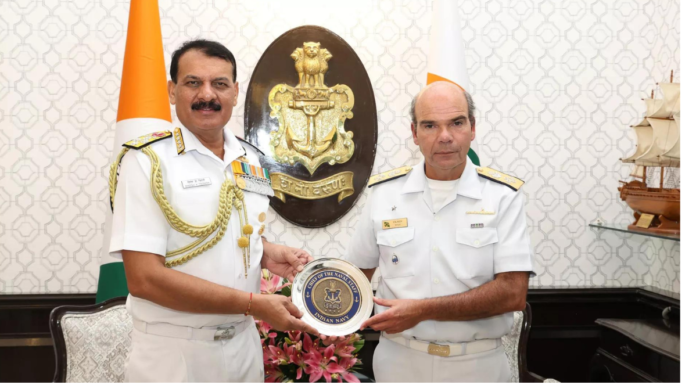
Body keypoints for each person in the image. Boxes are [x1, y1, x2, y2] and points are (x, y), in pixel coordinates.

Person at [109, 39, 319, 382]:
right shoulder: (145, 161)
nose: (207, 95)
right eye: (193, 83)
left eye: (219, 84)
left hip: (243, 349)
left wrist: (267, 253)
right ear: (172, 91)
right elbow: (144, 278)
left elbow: (232, 233)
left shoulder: (251, 159)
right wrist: (253, 304)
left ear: (235, 93)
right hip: (174, 356)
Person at [344, 81, 534, 382]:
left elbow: (512, 294)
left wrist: (421, 310)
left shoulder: (502, 197)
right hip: (399, 364)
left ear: (472, 127)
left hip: (478, 366)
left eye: (456, 123)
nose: (444, 137)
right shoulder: (384, 195)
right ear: (414, 133)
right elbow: (354, 278)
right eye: (430, 125)